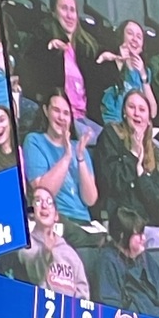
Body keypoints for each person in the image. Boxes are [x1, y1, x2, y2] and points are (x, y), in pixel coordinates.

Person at [95, 90, 159, 249]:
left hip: (149, 222)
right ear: (124, 112)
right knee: (158, 240)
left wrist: (141, 174)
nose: (137, 114)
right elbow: (111, 184)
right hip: (121, 219)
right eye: (131, 107)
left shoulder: (157, 154)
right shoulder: (110, 136)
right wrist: (133, 155)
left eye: (142, 110)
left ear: (149, 118)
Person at [18, 0, 102, 141]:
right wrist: (48, 49)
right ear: (54, 12)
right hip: (61, 119)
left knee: (109, 139)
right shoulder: (42, 39)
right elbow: (30, 73)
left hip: (84, 118)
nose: (70, 15)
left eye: (73, 10)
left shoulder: (87, 48)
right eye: (64, 8)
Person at [22, 88, 102, 247]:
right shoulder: (34, 141)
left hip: (83, 222)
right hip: (59, 219)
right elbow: (43, 190)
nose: (61, 117)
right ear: (46, 111)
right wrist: (66, 157)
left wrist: (79, 158)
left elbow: (90, 199)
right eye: (56, 111)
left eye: (66, 113)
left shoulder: (79, 148)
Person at [98, 207, 159, 318]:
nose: (144, 238)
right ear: (122, 235)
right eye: (138, 234)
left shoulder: (144, 257)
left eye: (143, 233)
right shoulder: (108, 261)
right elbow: (110, 305)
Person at [18, 186, 90, 298]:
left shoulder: (70, 253)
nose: (44, 205)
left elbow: (83, 292)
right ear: (32, 213)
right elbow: (34, 276)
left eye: (49, 202)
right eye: (38, 201)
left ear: (56, 216)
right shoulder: (26, 245)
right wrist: (46, 253)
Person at [96, 19, 157, 124]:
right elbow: (99, 91)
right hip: (111, 123)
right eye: (130, 33)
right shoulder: (109, 59)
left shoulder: (146, 71)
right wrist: (119, 63)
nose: (134, 39)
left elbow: (153, 112)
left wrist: (143, 75)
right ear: (121, 37)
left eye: (139, 37)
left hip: (134, 126)